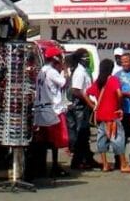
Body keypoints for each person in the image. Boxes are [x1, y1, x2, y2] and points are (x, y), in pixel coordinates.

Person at [31, 44, 70, 177]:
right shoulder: (52, 71)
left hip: (42, 107)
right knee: (55, 140)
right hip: (53, 108)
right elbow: (64, 83)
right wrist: (65, 71)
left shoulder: (42, 70)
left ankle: (41, 165)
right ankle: (54, 166)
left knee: (43, 139)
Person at [86, 58, 130, 173]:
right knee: (118, 139)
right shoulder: (113, 79)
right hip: (112, 115)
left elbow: (86, 93)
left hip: (101, 115)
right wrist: (119, 107)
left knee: (101, 140)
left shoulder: (98, 81)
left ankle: (105, 165)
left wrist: (93, 106)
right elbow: (119, 94)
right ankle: (123, 164)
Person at [66, 50, 95, 170]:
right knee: (81, 134)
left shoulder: (84, 71)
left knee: (84, 134)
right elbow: (76, 90)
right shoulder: (79, 72)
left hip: (83, 106)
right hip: (80, 107)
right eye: (85, 58)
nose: (88, 60)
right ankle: (77, 161)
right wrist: (89, 102)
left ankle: (88, 159)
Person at [114, 49, 130, 171]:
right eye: (122, 62)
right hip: (122, 110)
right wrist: (123, 94)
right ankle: (119, 161)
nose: (124, 64)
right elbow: (113, 92)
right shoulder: (117, 75)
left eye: (126, 61)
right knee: (120, 138)